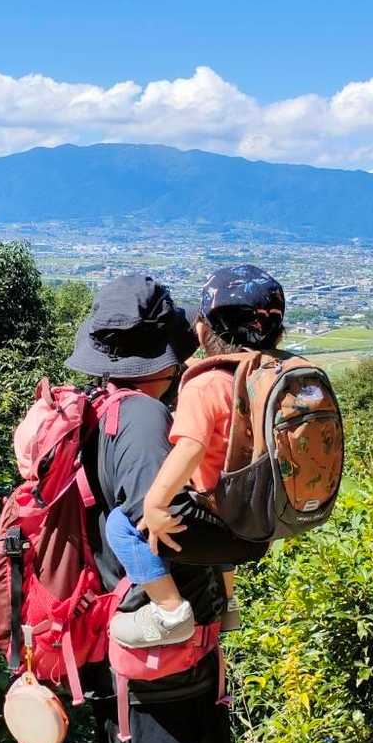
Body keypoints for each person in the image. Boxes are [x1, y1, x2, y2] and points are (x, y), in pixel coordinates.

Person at [65, 273, 261, 743]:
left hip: (110, 660)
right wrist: (249, 537)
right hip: (165, 669)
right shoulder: (149, 419)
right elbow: (155, 530)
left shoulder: (99, 409)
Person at [106, 265, 286, 650]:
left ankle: (169, 612)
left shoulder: (205, 386)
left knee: (121, 523)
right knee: (215, 492)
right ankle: (229, 603)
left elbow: (190, 448)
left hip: (221, 524)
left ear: (202, 331)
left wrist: (155, 505)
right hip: (260, 524)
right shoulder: (271, 379)